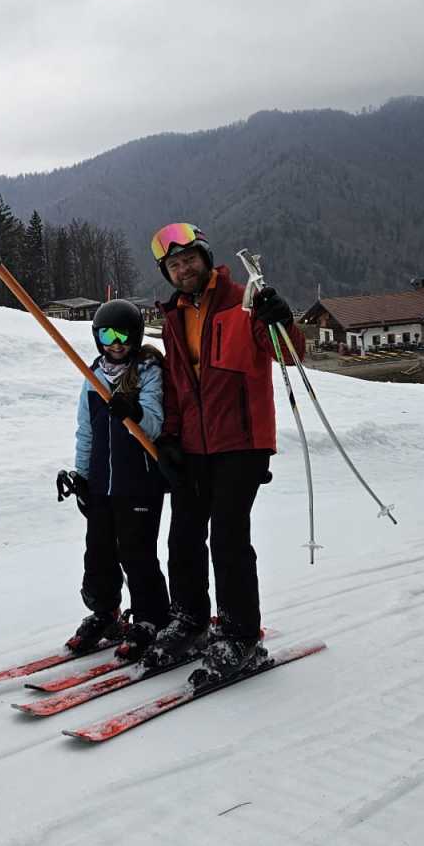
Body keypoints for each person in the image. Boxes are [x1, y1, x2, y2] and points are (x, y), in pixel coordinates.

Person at [143, 222, 306, 680]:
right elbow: (175, 386)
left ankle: (239, 634)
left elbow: (290, 354)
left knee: (228, 539)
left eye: (189, 259)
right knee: (183, 537)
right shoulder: (173, 319)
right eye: (174, 265)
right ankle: (190, 620)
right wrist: (169, 439)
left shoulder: (243, 302)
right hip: (193, 446)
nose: (183, 269)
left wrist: (281, 319)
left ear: (206, 258)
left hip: (242, 442)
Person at [57, 299, 171, 655]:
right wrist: (82, 476)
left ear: (136, 336)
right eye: (108, 335)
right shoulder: (93, 376)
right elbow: (86, 431)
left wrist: (132, 410)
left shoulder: (148, 371)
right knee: (98, 552)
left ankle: (152, 618)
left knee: (137, 554)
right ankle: (105, 612)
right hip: (102, 484)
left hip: (139, 483)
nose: (116, 343)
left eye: (123, 335)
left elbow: (154, 424)